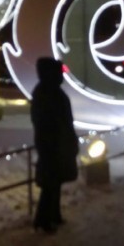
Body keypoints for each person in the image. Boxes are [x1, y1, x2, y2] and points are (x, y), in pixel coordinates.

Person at [30, 57, 79, 234]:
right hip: (52, 145)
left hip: (56, 143)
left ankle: (53, 215)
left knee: (55, 181)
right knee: (50, 183)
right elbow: (50, 121)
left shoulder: (48, 91)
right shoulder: (48, 93)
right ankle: (42, 219)